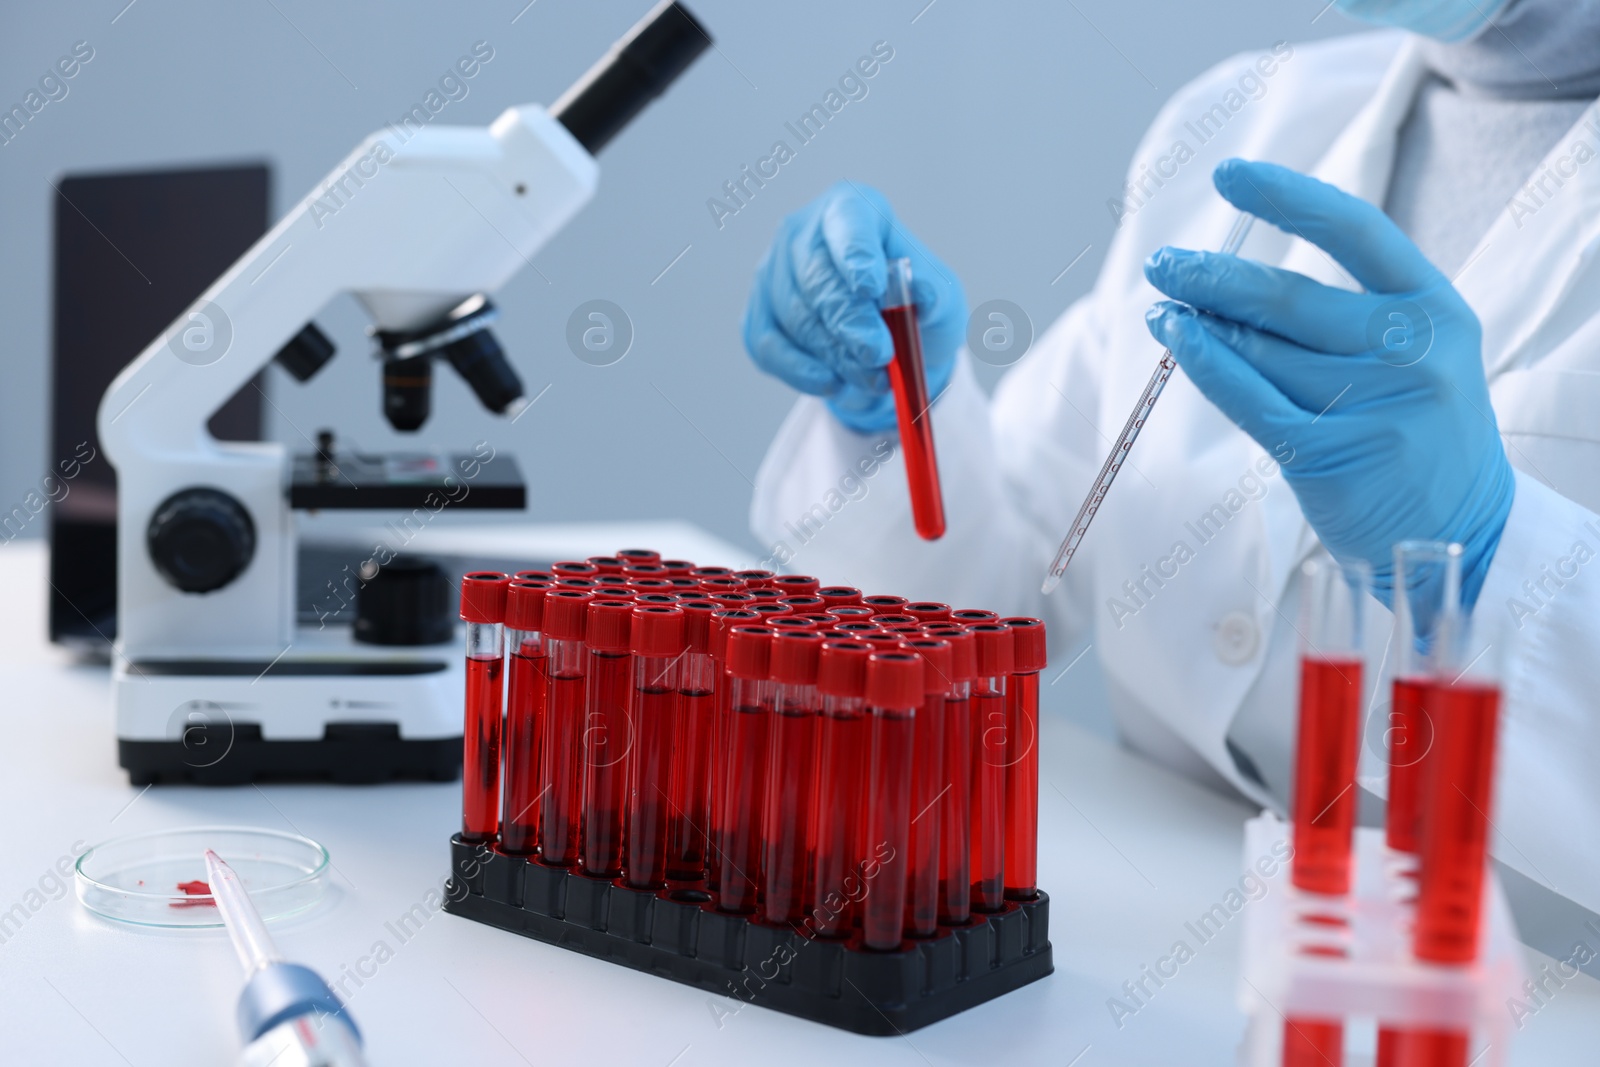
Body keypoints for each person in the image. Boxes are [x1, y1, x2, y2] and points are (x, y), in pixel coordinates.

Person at [742, 0, 1600, 916]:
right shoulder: (1247, 116)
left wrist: (1491, 550)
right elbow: (990, 596)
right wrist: (895, 408)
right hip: (1153, 964)